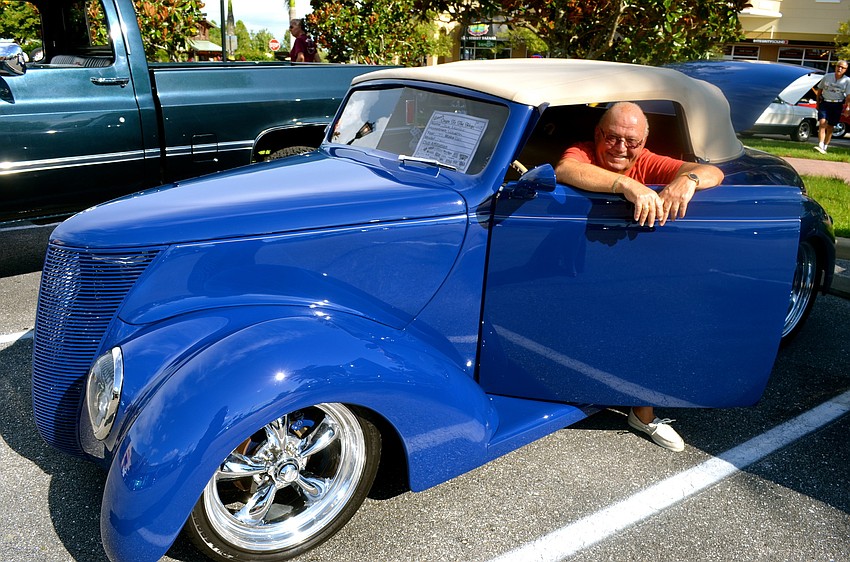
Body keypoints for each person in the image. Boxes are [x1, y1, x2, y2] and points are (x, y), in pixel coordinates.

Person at [555, 101, 725, 451]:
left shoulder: (647, 159)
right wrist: (627, 186)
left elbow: (713, 173)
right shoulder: (583, 153)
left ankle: (642, 413)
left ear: (642, 143)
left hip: (628, 267)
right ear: (598, 134)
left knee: (652, 317)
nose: (620, 148)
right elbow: (566, 170)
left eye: (630, 142)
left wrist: (686, 180)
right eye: (612, 137)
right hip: (574, 259)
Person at [813, 60, 850, 154]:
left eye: (842, 67)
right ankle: (820, 145)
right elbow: (819, 90)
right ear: (835, 67)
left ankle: (825, 146)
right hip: (825, 103)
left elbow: (849, 96)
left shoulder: (847, 80)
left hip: (837, 104)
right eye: (838, 66)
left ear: (846, 69)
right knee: (822, 123)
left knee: (830, 127)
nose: (840, 68)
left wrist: (847, 108)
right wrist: (818, 103)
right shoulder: (827, 77)